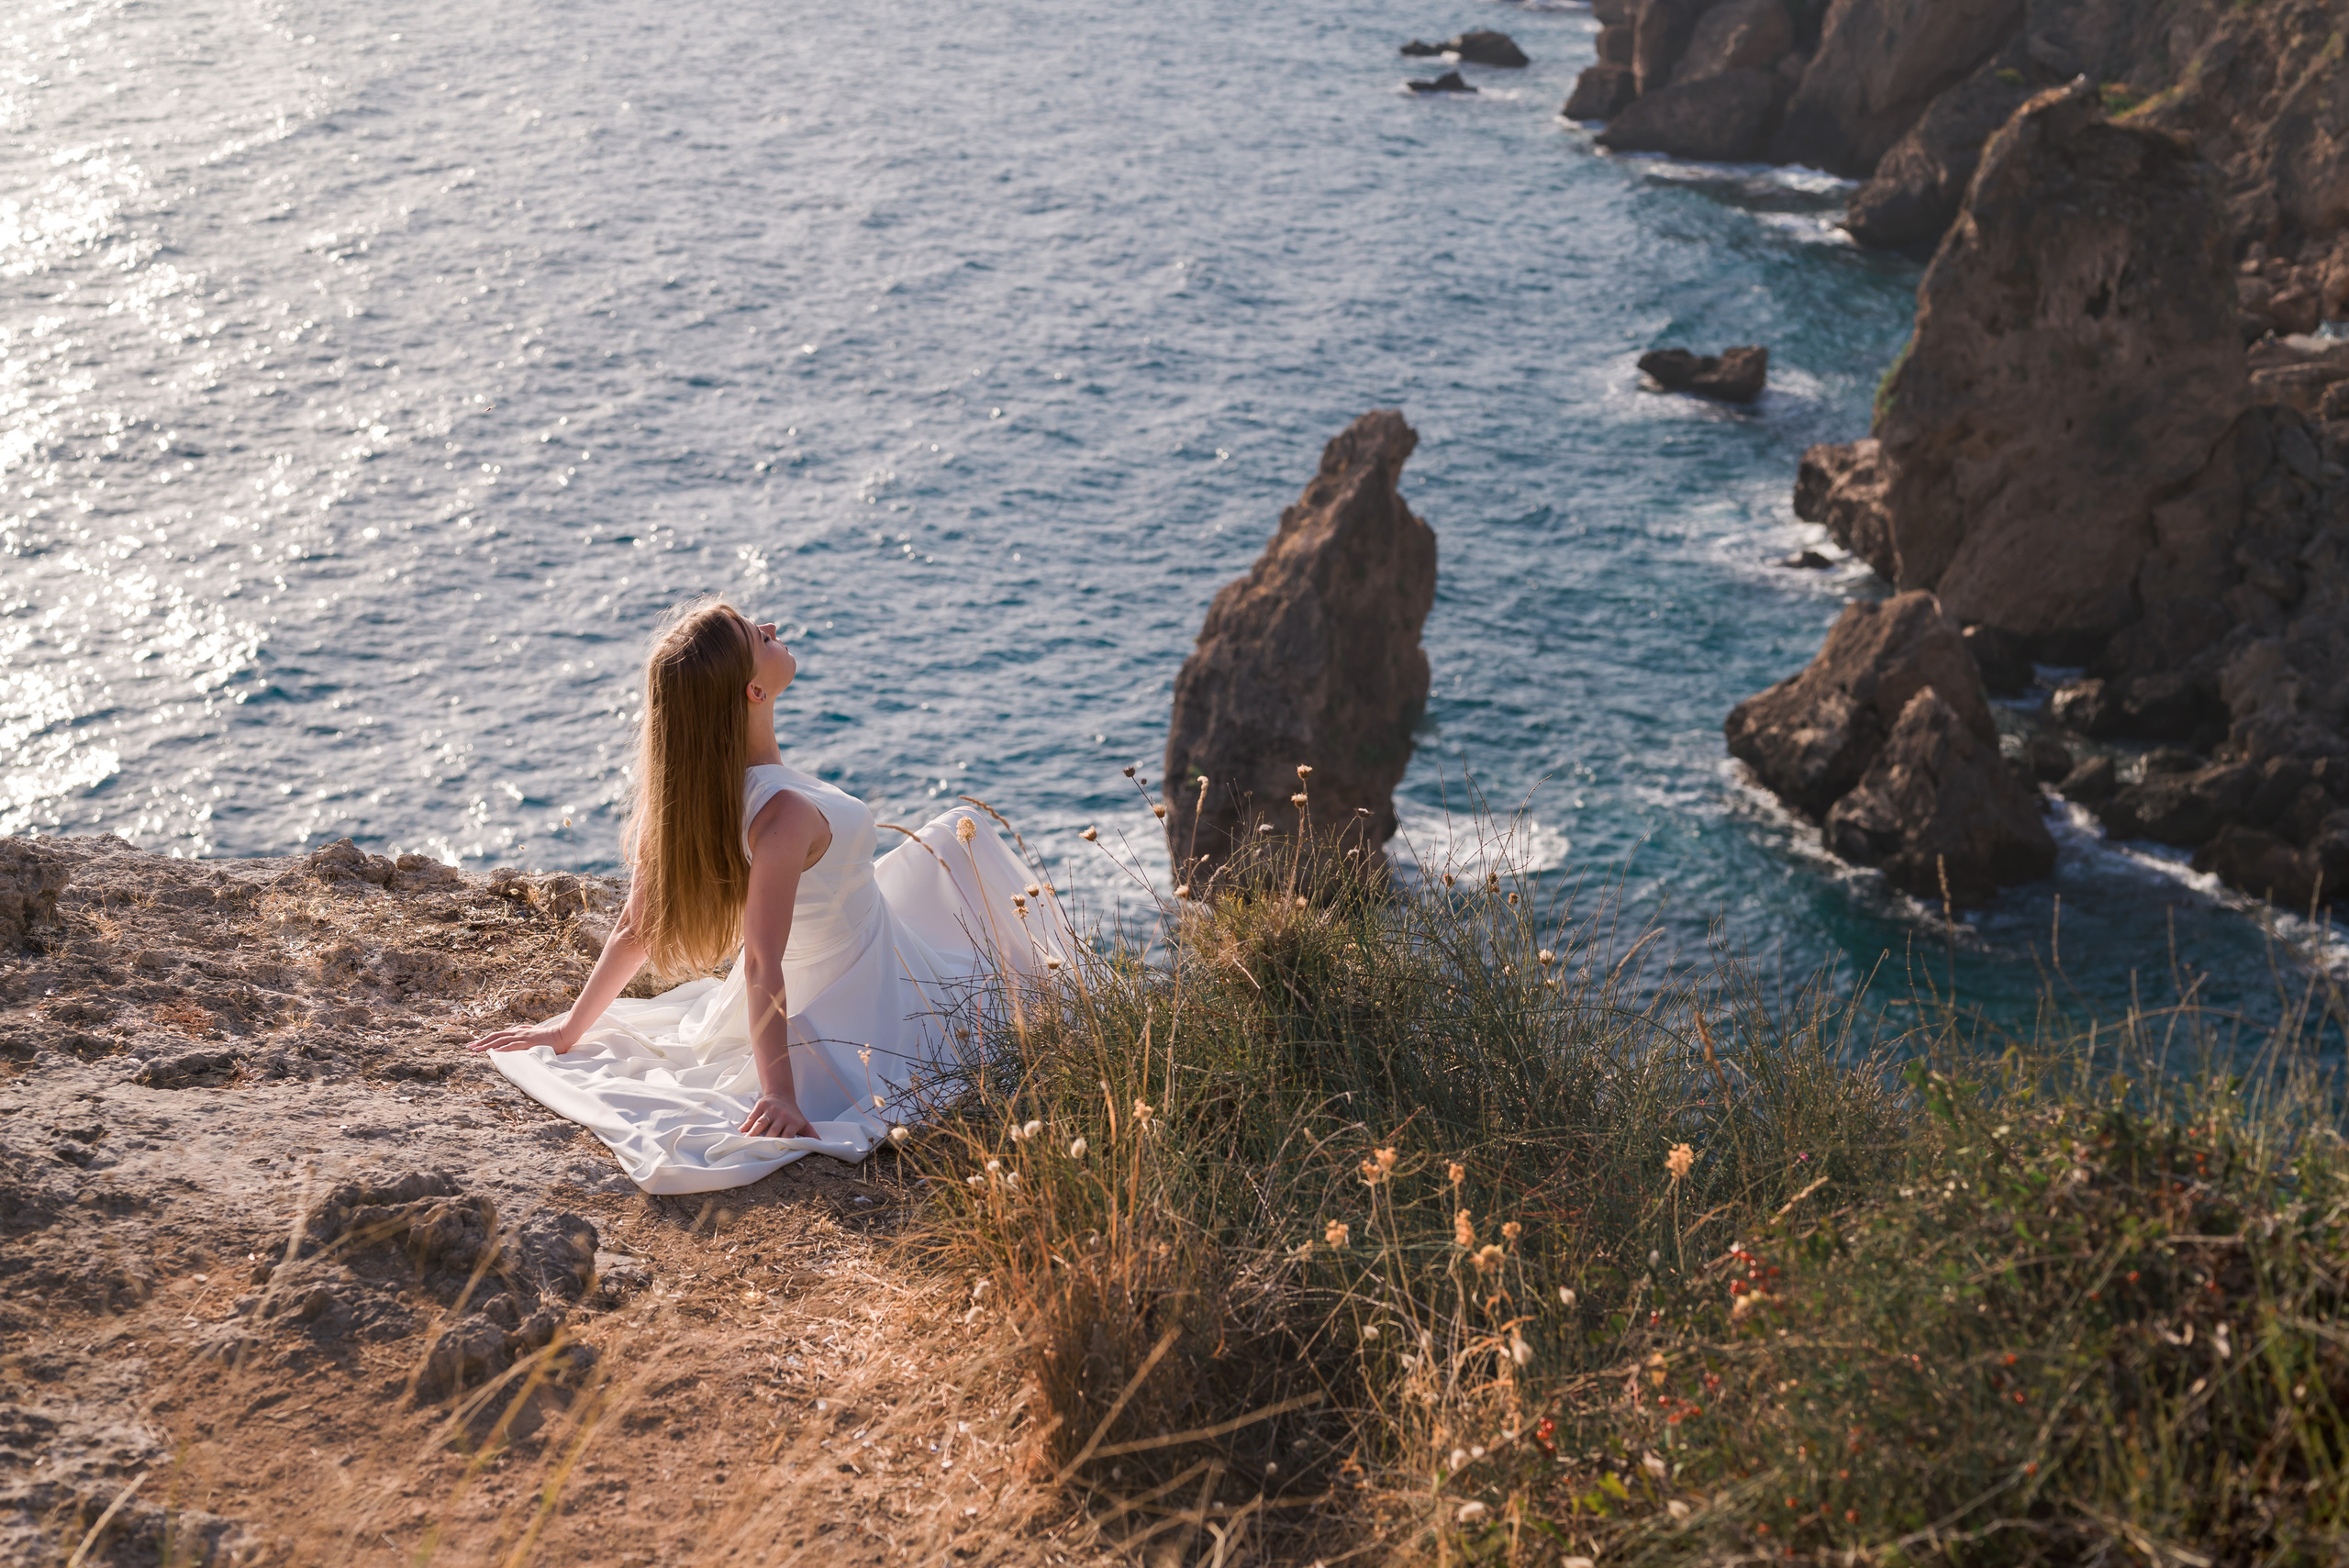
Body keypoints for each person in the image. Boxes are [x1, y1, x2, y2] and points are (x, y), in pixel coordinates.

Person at [466, 597, 1071, 1193]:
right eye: (760, 637)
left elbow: (636, 929)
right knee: (977, 873)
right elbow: (759, 959)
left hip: (864, 926)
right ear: (753, 692)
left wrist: (571, 1030)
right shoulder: (779, 814)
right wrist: (779, 1091)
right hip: (864, 985)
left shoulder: (696, 800)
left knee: (952, 836)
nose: (772, 627)